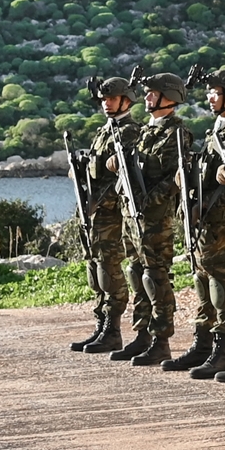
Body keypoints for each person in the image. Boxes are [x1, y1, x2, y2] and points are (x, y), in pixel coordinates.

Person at [113, 70, 194, 368]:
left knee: (155, 278)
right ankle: (142, 334)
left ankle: (161, 341)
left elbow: (174, 177)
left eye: (152, 93)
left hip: (155, 219)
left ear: (168, 97)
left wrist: (150, 200)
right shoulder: (147, 130)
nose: (146, 98)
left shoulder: (176, 132)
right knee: (137, 273)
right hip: (134, 216)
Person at [179, 68, 225, 379]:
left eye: (215, 92)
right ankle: (203, 343)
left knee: (222, 285)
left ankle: (223, 351)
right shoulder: (216, 133)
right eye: (209, 92)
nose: (210, 97)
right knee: (203, 281)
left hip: (224, 223)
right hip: (206, 222)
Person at [70, 76, 140, 354]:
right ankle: (101, 325)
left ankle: (112, 330)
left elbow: (127, 177)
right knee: (95, 268)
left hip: (111, 213)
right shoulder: (106, 131)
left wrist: (101, 200)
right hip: (95, 213)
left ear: (125, 100)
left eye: (111, 99)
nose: (106, 104)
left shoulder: (130, 131)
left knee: (109, 269)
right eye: (103, 100)